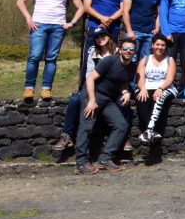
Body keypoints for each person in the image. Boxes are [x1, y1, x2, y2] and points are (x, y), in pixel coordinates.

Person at [16, 0, 84, 100]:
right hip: (38, 25)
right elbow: (21, 1)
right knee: (34, 57)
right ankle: (29, 89)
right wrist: (28, 18)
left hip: (58, 27)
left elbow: (81, 7)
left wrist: (71, 22)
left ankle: (46, 89)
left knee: (51, 59)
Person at [75, 38, 137, 175]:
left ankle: (104, 159)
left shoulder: (132, 67)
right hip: (92, 95)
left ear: (134, 52)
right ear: (120, 50)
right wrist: (91, 100)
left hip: (108, 99)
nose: (128, 51)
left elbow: (122, 83)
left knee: (121, 125)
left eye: (131, 49)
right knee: (86, 126)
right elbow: (90, 79)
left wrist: (125, 91)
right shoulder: (110, 61)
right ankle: (81, 162)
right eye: (125, 49)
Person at [54, 28, 115, 151]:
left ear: (108, 37)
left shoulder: (117, 52)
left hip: (110, 88)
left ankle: (124, 137)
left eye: (103, 36)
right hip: (92, 85)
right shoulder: (92, 51)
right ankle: (67, 134)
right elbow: (88, 74)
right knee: (75, 100)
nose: (100, 39)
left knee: (122, 102)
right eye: (97, 37)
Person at [81, 0, 127, 70]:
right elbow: (86, 7)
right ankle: (84, 86)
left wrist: (109, 20)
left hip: (113, 28)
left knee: (111, 56)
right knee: (89, 56)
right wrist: (101, 18)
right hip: (94, 26)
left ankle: (107, 86)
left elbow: (123, 9)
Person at [134, 34, 177, 145]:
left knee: (159, 98)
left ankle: (148, 130)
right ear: (152, 45)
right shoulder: (145, 59)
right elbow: (140, 77)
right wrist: (142, 88)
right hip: (146, 86)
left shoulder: (169, 60)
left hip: (165, 87)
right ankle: (151, 131)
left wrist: (161, 88)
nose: (160, 47)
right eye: (157, 44)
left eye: (163, 45)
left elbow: (170, 79)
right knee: (141, 99)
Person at [122, 0, 160, 64]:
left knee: (145, 61)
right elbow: (125, 11)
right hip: (134, 32)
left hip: (149, 34)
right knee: (131, 60)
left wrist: (157, 29)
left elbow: (159, 14)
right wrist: (129, 30)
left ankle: (140, 80)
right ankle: (131, 80)